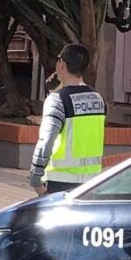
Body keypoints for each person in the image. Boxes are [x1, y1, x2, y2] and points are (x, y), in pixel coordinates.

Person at [30, 43, 107, 195]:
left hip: (60, 182)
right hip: (91, 182)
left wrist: (36, 178)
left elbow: (46, 141)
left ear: (62, 64)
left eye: (58, 59)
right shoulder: (99, 99)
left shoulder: (57, 100)